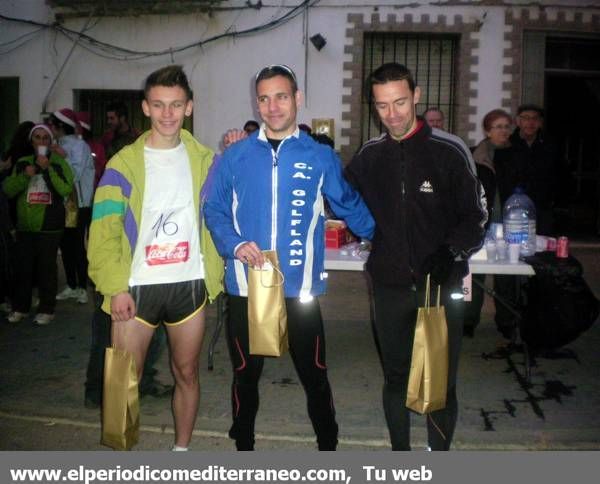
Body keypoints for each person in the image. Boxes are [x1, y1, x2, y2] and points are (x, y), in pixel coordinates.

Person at [204, 64, 374, 451]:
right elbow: (213, 209)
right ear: (257, 103)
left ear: (297, 99)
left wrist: (385, 239)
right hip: (247, 285)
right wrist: (233, 244)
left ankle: (328, 444)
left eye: (281, 96)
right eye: (263, 98)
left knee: (314, 373)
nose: (272, 106)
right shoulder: (236, 156)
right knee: (246, 373)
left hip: (300, 290)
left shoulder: (319, 156)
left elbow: (349, 205)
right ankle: (243, 444)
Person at [345, 63, 486, 451]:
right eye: (383, 106)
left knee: (439, 381)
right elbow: (338, 198)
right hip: (389, 286)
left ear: (417, 96)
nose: (393, 114)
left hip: (439, 283)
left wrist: (451, 251)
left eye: (400, 102)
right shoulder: (370, 156)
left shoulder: (449, 150)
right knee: (395, 377)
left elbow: (478, 215)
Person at [87, 65, 223, 450]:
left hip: (189, 284)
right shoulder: (122, 165)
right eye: (159, 105)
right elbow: (103, 234)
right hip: (136, 287)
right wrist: (115, 288)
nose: (168, 114)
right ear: (145, 107)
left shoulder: (207, 161)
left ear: (189, 107)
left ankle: (180, 454)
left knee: (187, 374)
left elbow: (227, 207)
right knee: (121, 382)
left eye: (176, 105)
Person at [464, 109, 529, 339]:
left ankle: (507, 320)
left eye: (507, 126)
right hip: (482, 223)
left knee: (507, 274)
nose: (504, 131)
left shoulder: (518, 155)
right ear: (487, 130)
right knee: (474, 273)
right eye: (498, 126)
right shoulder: (475, 155)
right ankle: (468, 319)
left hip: (509, 224)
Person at [3, 124, 74, 325]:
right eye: (37, 138)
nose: (41, 141)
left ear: (50, 141)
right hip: (25, 226)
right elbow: (8, 189)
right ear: (31, 141)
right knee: (23, 269)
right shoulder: (22, 163)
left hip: (50, 226)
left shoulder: (60, 163)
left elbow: (65, 189)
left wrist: (48, 169)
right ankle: (21, 308)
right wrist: (27, 174)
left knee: (47, 269)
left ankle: (46, 309)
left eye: (45, 138)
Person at [50, 108, 95, 305]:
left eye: (52, 124)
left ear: (60, 126)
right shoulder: (57, 144)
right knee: (65, 244)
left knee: (77, 245)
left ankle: (83, 288)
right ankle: (71, 284)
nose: (51, 128)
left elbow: (74, 175)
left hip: (79, 203)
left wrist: (62, 156)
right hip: (63, 202)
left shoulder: (80, 146)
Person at [510, 104, 560, 235]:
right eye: (526, 118)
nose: (530, 122)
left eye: (535, 118)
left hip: (543, 208)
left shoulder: (550, 145)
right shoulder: (508, 144)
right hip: (514, 207)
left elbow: (559, 173)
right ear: (518, 121)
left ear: (540, 122)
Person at [76, 112, 108, 189]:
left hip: (93, 190)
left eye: (78, 128)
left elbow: (103, 171)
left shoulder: (97, 148)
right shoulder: (71, 146)